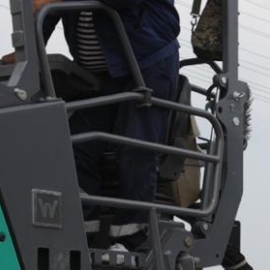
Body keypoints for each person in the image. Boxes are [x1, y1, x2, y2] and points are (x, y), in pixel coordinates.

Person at [37, 0, 181, 248]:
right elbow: (46, 13)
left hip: (147, 67)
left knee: (136, 147)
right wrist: (30, 50)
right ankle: (86, 235)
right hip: (100, 76)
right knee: (73, 145)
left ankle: (133, 240)